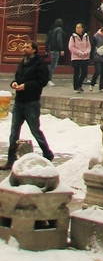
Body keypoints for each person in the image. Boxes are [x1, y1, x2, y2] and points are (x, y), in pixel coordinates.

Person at [2, 40, 53, 168]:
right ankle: (11, 159)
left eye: (27, 46)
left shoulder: (40, 63)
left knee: (35, 130)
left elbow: (42, 81)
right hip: (19, 101)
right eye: (24, 46)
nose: (24, 48)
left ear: (34, 50)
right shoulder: (23, 62)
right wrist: (14, 83)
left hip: (31, 102)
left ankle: (47, 153)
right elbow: (17, 76)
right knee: (14, 131)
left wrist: (26, 86)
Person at [69, 23, 91, 94]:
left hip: (85, 57)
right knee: (76, 72)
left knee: (84, 72)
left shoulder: (86, 36)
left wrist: (86, 52)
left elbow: (88, 46)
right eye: (77, 28)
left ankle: (79, 84)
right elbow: (71, 47)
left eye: (79, 27)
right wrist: (79, 52)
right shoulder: (73, 37)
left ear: (82, 29)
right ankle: (76, 87)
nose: (78, 29)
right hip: (76, 57)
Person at [89, 27, 103, 92]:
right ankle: (92, 83)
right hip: (97, 56)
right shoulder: (96, 36)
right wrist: (91, 57)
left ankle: (101, 87)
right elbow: (93, 46)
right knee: (98, 71)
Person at [45, 17, 65, 85]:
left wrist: (46, 49)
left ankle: (48, 78)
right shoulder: (59, 30)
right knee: (53, 65)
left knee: (52, 64)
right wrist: (61, 49)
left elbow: (47, 41)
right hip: (56, 49)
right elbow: (59, 39)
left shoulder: (51, 30)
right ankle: (48, 79)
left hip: (51, 49)